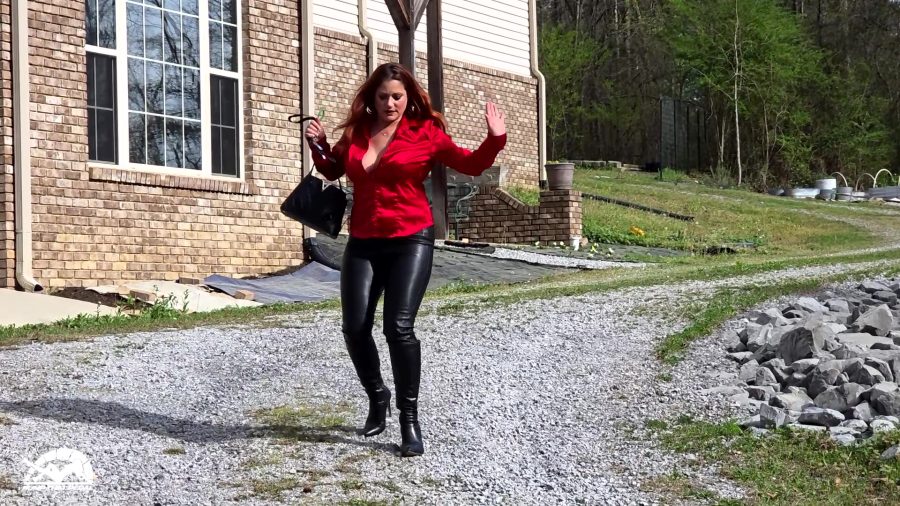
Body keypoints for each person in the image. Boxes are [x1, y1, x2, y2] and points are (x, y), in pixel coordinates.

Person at [304, 62, 506, 457]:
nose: (390, 103)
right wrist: (319, 143)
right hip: (363, 240)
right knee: (354, 328)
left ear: (408, 97)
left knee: (398, 328)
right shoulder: (357, 132)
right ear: (372, 99)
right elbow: (332, 168)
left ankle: (408, 419)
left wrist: (495, 138)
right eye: (383, 97)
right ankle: (377, 395)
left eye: (397, 96)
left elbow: (471, 164)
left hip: (411, 239)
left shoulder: (425, 133)